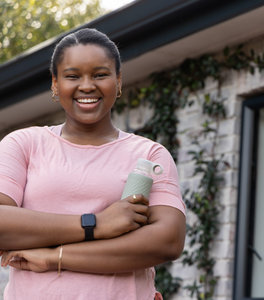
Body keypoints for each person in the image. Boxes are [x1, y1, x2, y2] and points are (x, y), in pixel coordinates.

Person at [0, 28, 186, 300]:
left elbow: (167, 241)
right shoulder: (24, 144)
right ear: (55, 84)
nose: (87, 86)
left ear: (118, 81)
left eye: (100, 74)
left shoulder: (148, 154)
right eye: (72, 76)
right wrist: (95, 224)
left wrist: (56, 257)